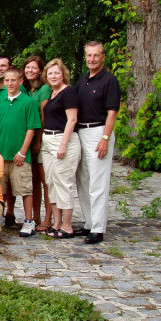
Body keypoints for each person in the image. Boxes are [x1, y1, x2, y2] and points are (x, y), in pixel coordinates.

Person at [75, 41, 120, 244]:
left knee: (98, 182)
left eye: (96, 55)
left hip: (99, 131)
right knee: (83, 180)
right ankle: (89, 222)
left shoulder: (109, 80)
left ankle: (98, 228)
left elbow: (112, 112)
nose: (92, 59)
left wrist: (105, 138)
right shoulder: (83, 80)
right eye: (89, 55)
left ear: (103, 57)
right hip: (81, 132)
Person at [0, 67, 41, 237]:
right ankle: (0, 217)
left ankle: (28, 220)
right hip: (1, 155)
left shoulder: (28, 102)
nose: (9, 83)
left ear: (20, 81)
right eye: (6, 80)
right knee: (1, 189)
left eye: (13, 80)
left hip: (20, 156)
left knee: (24, 188)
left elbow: (31, 128)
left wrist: (23, 152)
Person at [41, 59, 81, 239]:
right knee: (51, 183)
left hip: (62, 140)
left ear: (63, 74)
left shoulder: (68, 92)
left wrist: (63, 144)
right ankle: (56, 222)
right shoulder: (53, 93)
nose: (53, 76)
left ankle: (67, 225)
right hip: (48, 140)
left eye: (57, 73)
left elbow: (72, 120)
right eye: (50, 73)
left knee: (63, 183)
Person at [22, 56, 53, 233]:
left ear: (40, 71)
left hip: (39, 138)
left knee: (44, 180)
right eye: (27, 67)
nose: (30, 70)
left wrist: (38, 140)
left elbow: (43, 117)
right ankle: (35, 217)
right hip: (27, 139)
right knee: (33, 182)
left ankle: (48, 218)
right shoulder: (25, 89)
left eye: (34, 68)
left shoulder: (44, 89)